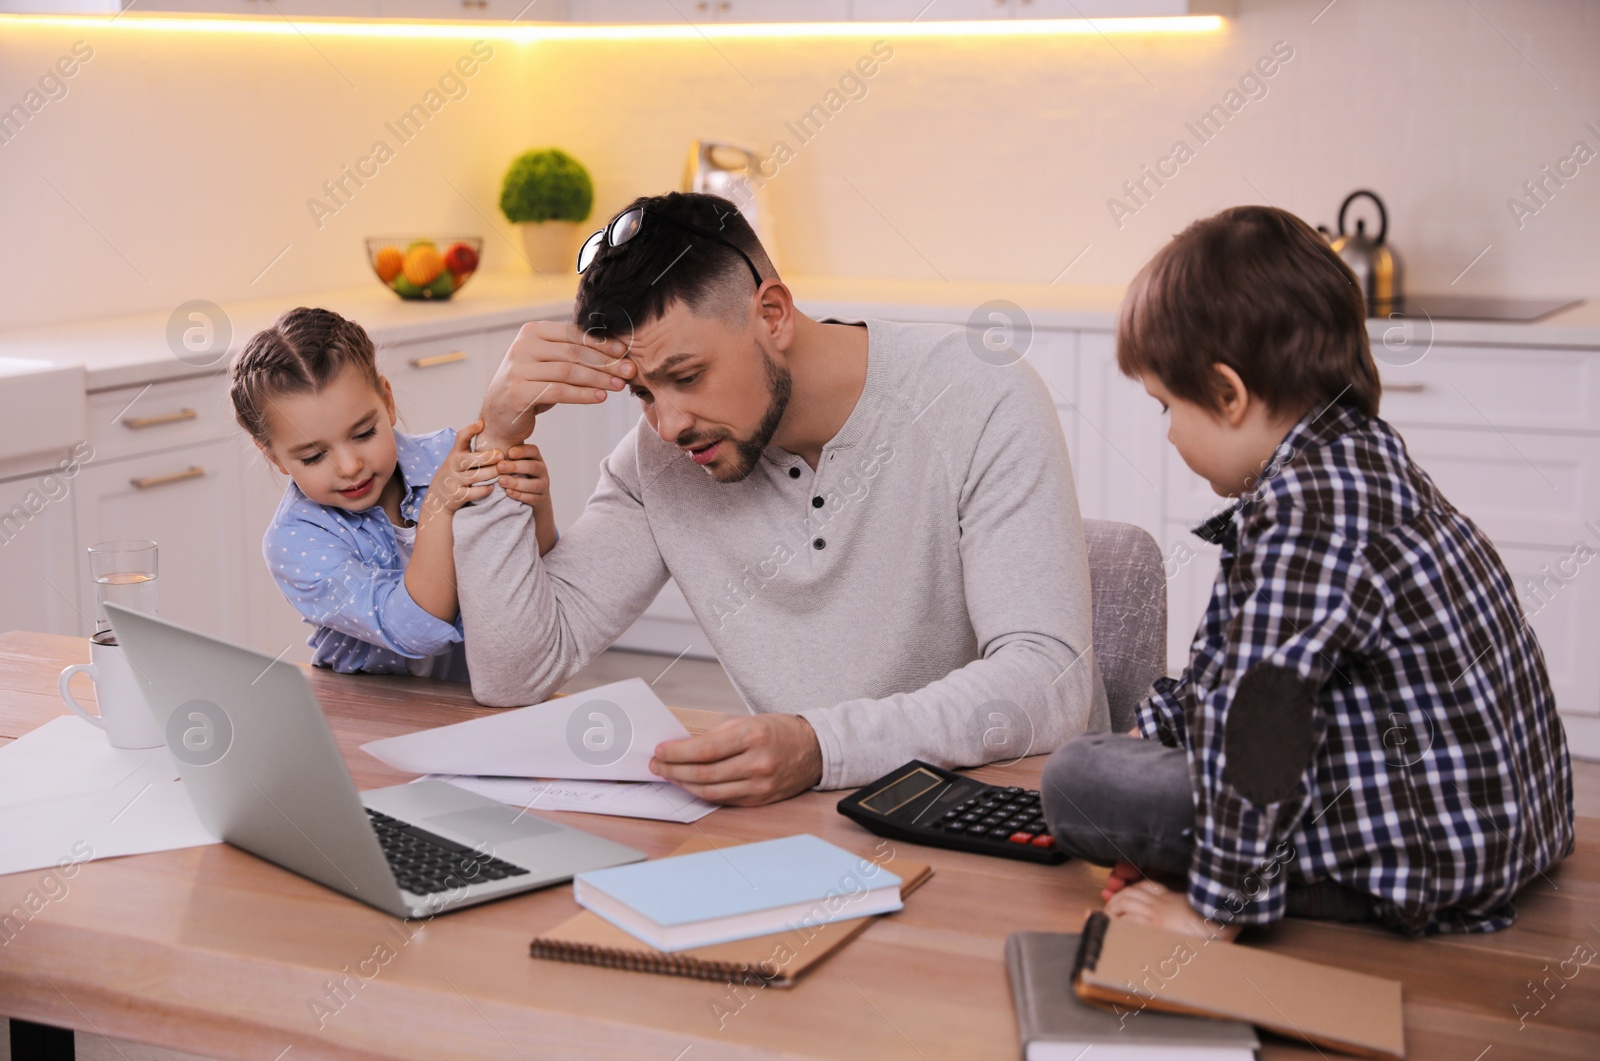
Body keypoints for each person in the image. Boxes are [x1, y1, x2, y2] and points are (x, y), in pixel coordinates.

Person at [455, 191, 1109, 805]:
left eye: (687, 375)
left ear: (773, 314)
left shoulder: (978, 396)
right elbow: (512, 672)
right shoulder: (662, 463)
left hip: (1005, 817)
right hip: (818, 825)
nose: (669, 423)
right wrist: (499, 432)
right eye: (645, 392)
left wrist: (821, 748)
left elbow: (1048, 682)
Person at [1041, 206, 1574, 937]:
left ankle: (1307, 889)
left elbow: (1262, 723)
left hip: (1428, 856)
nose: (1166, 432)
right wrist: (1159, 726)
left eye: (1167, 405)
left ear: (1229, 395)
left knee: (1077, 781)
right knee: (1133, 753)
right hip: (1506, 832)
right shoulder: (1363, 463)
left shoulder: (1305, 515)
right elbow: (1236, 667)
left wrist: (1212, 914)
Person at [231, 306, 556, 679]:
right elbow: (415, 628)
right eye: (315, 455)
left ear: (387, 401)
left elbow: (535, 573)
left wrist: (536, 503)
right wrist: (439, 506)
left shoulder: (449, 455)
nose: (349, 466)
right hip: (371, 710)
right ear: (274, 456)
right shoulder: (295, 540)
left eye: (364, 433)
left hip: (487, 690)